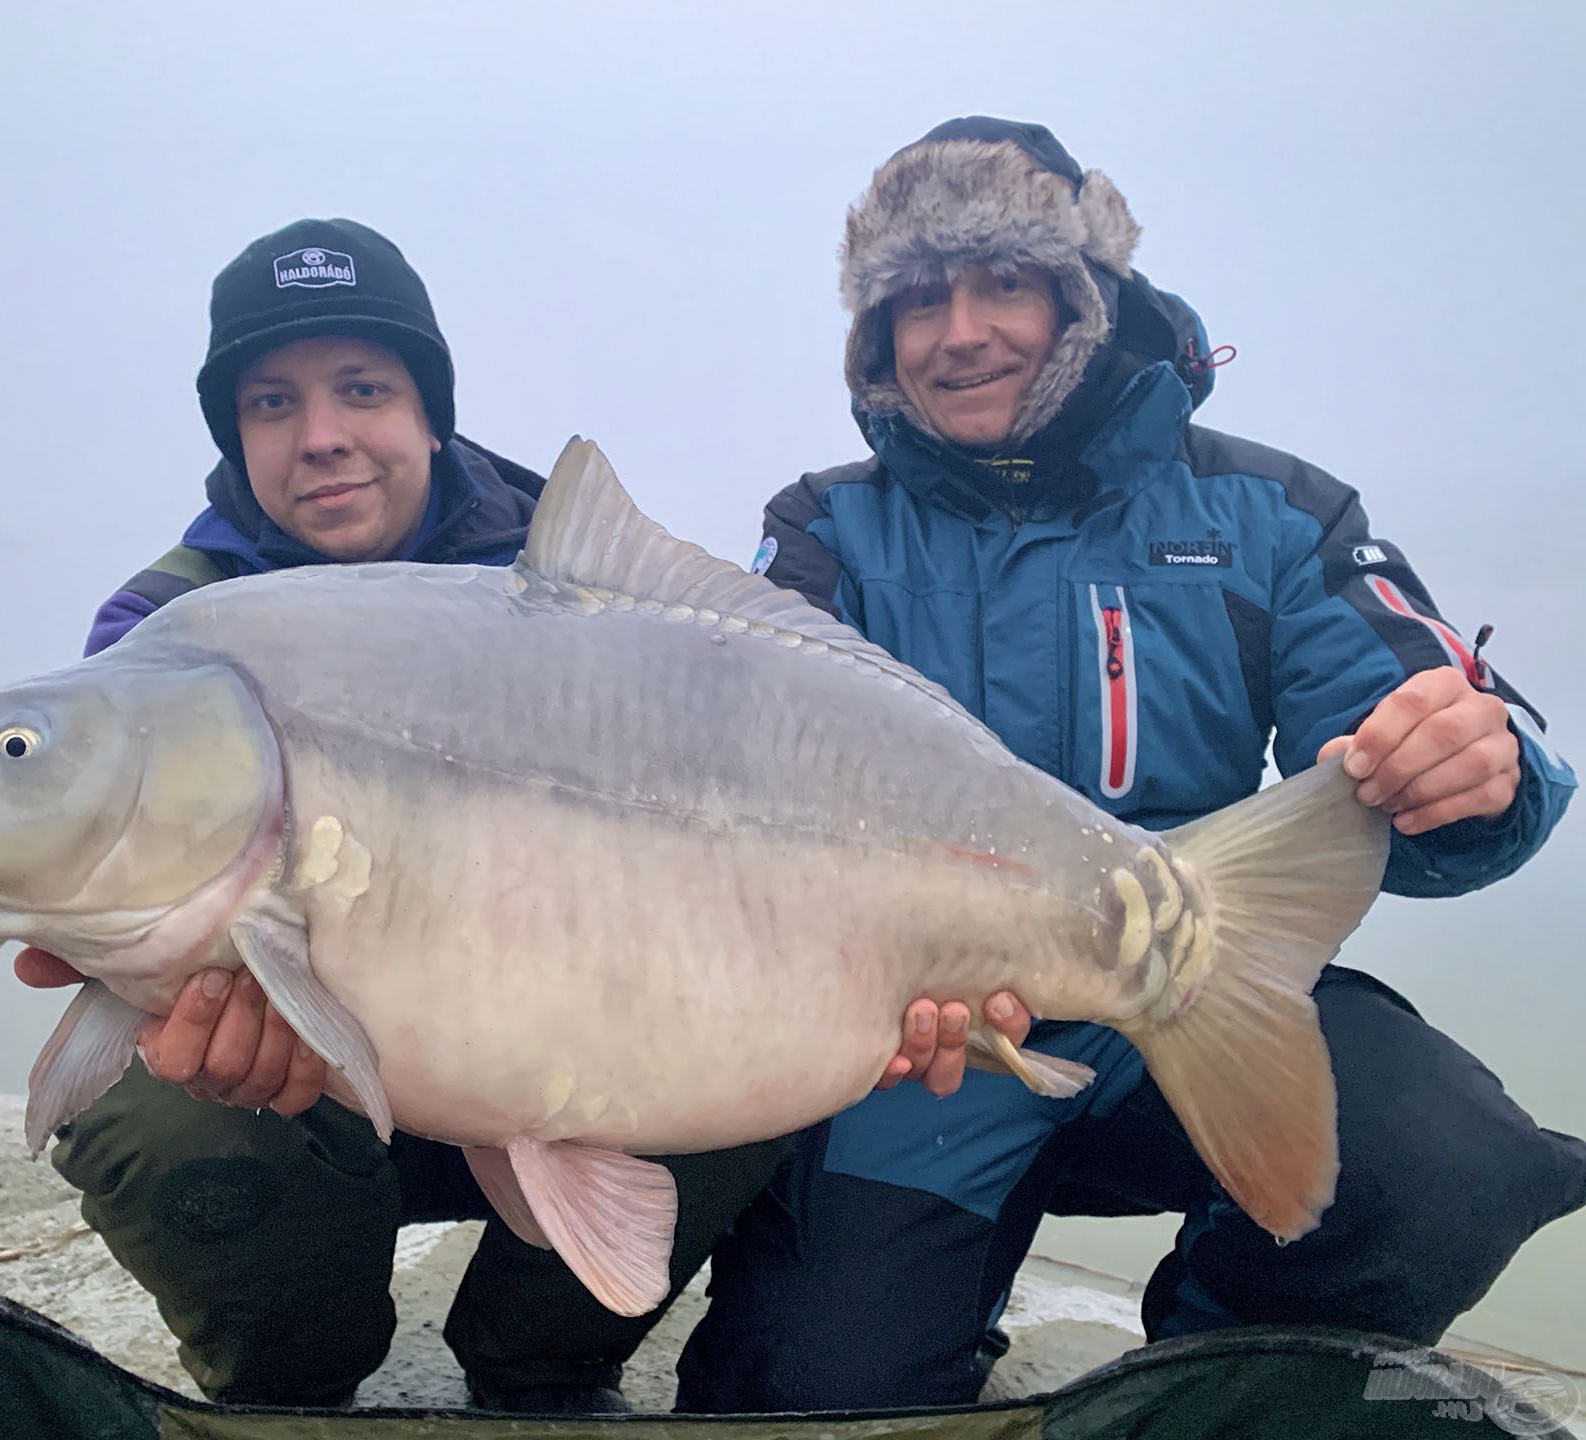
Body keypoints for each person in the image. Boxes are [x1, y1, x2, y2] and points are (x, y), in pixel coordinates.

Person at [14, 215, 1027, 1413]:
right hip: (313, 1081)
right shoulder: (165, 635)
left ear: (428, 410)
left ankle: (543, 1360)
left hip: (566, 1035)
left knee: (776, 1030)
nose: (324, 436)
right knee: (162, 1116)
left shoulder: (577, 597)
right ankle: (289, 1379)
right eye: (272, 405)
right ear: (236, 440)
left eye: (362, 390)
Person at [671, 117, 1586, 1412]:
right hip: (943, 1042)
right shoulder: (824, 532)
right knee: (810, 1389)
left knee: (1443, 1164)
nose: (959, 331)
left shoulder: (1276, 510)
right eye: (915, 299)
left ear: (1086, 295)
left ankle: (1194, 1376)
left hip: (1192, 994)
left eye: (1002, 281)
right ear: (875, 336)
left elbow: (1413, 717)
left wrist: (1475, 767)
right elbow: (734, 798)